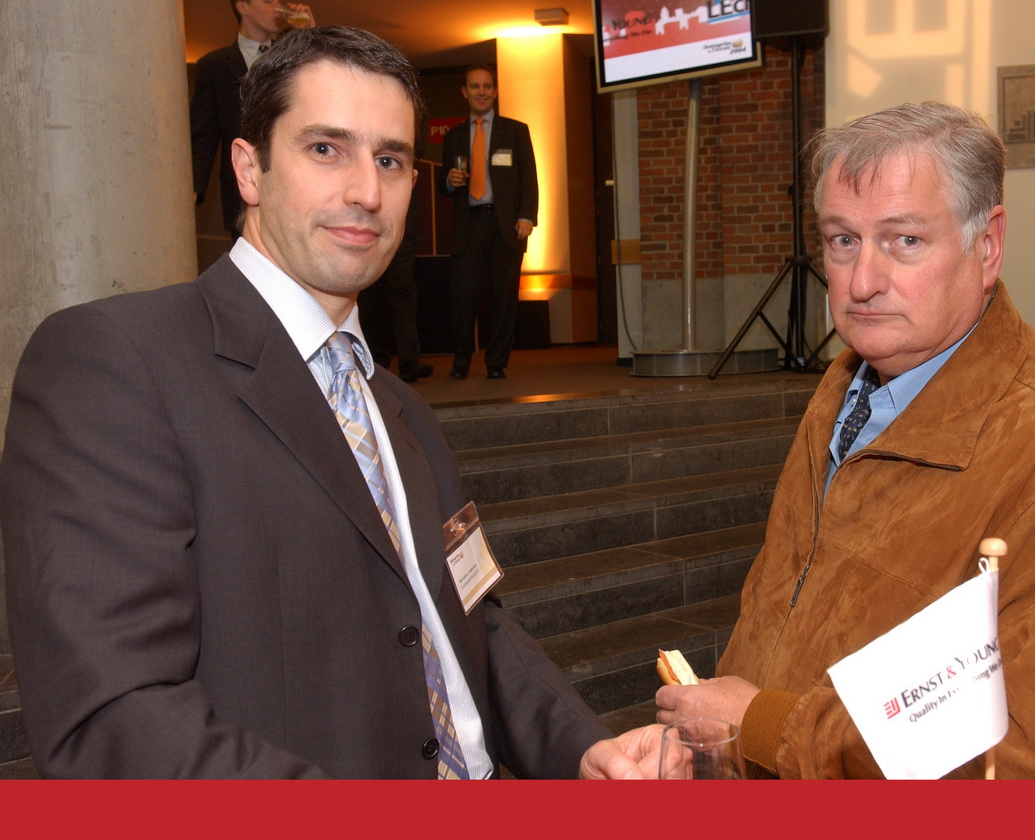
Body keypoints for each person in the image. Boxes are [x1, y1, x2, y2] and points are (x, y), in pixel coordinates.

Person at [1, 25, 662, 780]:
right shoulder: (118, 361)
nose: (366, 192)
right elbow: (113, 720)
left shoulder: (400, 406)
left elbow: (467, 617)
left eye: (391, 160)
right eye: (325, 149)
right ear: (248, 169)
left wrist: (582, 748)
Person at [655, 102, 1035, 779]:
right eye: (843, 240)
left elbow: (1025, 769)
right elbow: (780, 616)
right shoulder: (841, 390)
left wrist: (766, 726)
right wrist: (714, 747)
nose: (862, 283)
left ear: (988, 246)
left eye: (905, 241)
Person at [435, 65, 538, 380]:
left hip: (506, 226)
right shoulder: (454, 136)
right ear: (464, 92)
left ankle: (496, 363)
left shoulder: (516, 131)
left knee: (504, 299)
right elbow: (443, 183)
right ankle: (461, 361)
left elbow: (530, 177)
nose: (481, 92)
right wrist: (449, 181)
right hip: (468, 225)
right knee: (463, 297)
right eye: (475, 86)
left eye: (487, 86)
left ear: (495, 91)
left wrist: (527, 217)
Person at [189, 0, 315, 235]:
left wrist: (309, 38)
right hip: (242, 192)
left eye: (278, 1)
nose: (277, 6)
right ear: (243, 7)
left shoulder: (293, 60)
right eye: (268, 1)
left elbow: (317, 103)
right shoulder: (213, 66)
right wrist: (193, 190)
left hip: (292, 183)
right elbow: (203, 136)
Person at [358, 184, 433, 382]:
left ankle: (409, 362)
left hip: (403, 230)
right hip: (366, 227)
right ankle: (374, 362)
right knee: (369, 293)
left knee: (403, 290)